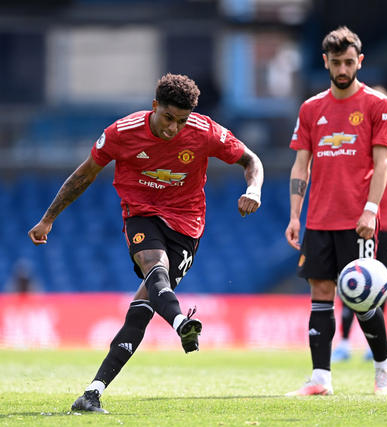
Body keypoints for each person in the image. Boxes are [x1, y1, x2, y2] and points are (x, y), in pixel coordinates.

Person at [28, 73, 264, 413]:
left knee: (143, 307)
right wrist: (48, 218)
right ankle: (182, 323)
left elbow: (251, 160)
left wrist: (253, 190)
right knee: (156, 268)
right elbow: (84, 174)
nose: (174, 128)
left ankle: (91, 393)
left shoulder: (205, 132)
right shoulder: (122, 133)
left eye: (181, 121)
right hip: (141, 213)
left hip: (187, 226)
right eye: (168, 118)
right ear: (155, 106)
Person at [284, 26, 387, 396]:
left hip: (357, 219)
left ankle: (383, 367)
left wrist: (370, 209)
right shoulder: (311, 108)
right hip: (318, 217)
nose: (343, 68)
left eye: (350, 62)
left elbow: (382, 165)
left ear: (360, 61)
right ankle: (320, 378)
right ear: (326, 63)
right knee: (320, 291)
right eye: (337, 63)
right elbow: (301, 166)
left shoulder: (377, 105)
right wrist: (295, 215)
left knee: (361, 295)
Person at [331, 85, 387, 363]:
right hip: (358, 219)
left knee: (383, 282)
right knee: (350, 278)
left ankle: (374, 346)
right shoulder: (353, 138)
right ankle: (344, 342)